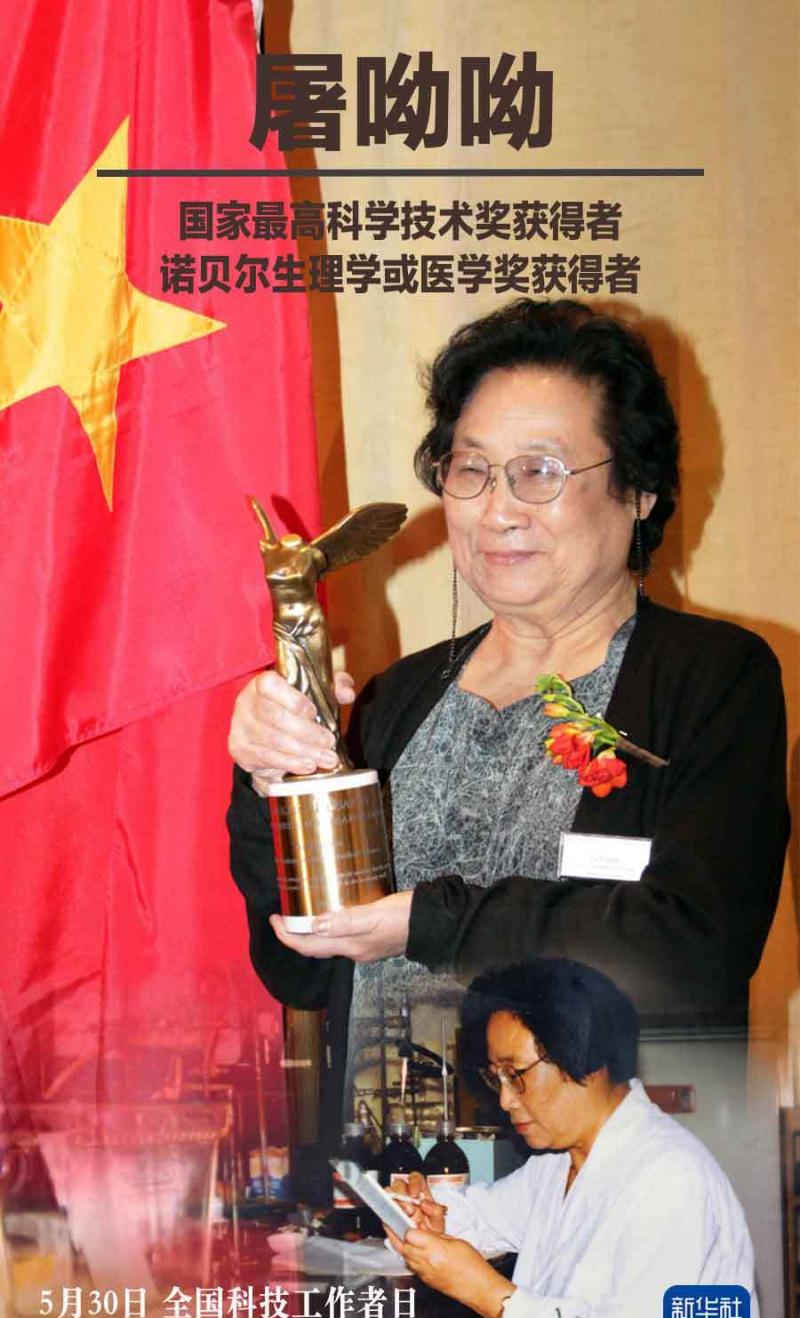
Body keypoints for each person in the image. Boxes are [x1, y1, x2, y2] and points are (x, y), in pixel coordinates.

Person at [227, 298, 789, 1130]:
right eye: (472, 469)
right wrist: (269, 777)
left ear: (639, 490)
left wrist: (430, 923)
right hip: (395, 1184)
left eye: (540, 471)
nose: (498, 509)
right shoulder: (397, 698)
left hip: (606, 1190)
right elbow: (301, 968)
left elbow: (691, 950)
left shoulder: (712, 679)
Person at [389, 959, 758, 1318]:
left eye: (516, 1074)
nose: (504, 1099)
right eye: (495, 1077)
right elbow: (483, 1215)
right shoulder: (560, 1164)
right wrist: (432, 1211)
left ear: (587, 1059)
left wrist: (485, 1292)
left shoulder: (673, 1183)